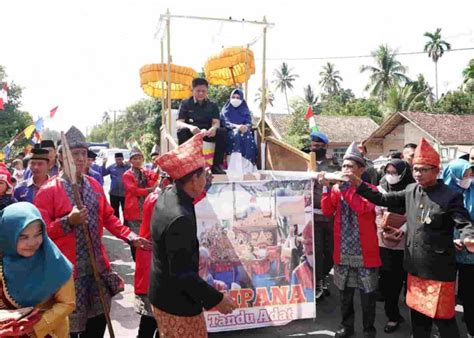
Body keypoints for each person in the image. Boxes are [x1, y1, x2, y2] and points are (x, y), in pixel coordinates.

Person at [33, 126, 151, 337]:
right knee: (70, 328)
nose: (79, 158)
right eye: (74, 153)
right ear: (60, 157)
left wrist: (131, 236)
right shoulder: (48, 191)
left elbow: (109, 218)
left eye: (83, 154)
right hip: (68, 274)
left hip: (97, 267)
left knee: (97, 322)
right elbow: (39, 234)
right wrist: (68, 221)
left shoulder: (94, 186)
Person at [353, 138, 474, 338]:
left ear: (436, 170)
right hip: (415, 268)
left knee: (443, 320)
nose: (418, 173)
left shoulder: (449, 196)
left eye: (424, 169)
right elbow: (383, 199)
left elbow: (463, 222)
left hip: (438, 271)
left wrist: (469, 237)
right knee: (418, 319)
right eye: (416, 169)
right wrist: (358, 183)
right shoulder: (411, 190)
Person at [149, 133, 237, 337]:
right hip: (177, 304)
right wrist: (217, 300)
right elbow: (182, 274)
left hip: (161, 294)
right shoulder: (181, 219)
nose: (207, 178)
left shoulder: (168, 194)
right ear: (193, 179)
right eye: (204, 174)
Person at [320, 141, 380, 338]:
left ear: (361, 170)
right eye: (343, 166)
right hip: (344, 249)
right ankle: (347, 326)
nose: (345, 169)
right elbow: (328, 211)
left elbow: (362, 209)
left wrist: (344, 188)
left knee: (367, 295)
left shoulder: (371, 189)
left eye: (350, 166)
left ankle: (369, 329)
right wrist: (327, 189)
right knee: (345, 294)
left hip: (364, 250)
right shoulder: (338, 189)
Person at [0, 202, 75, 338]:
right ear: (7, 235)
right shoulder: (2, 260)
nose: (32, 242)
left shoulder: (55, 263)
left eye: (38, 234)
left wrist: (35, 327)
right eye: (23, 237)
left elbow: (67, 303)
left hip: (49, 332)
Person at [376, 159, 414, 333]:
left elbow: (417, 214)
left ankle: (419, 322)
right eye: (388, 172)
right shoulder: (381, 187)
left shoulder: (413, 189)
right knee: (389, 283)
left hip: (409, 243)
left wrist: (404, 228)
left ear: (404, 173)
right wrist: (383, 228)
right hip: (386, 241)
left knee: (409, 285)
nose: (391, 176)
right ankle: (393, 316)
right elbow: (376, 210)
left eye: (395, 173)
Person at [442, 159, 474, 338]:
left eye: (470, 175)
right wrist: (450, 239)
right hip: (444, 252)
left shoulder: (472, 192)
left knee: (469, 294)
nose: (468, 179)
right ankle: (444, 328)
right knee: (444, 294)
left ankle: (471, 328)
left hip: (469, 252)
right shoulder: (439, 194)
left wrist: (467, 237)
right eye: (464, 175)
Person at [308, 130, 340, 299]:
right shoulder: (304, 161)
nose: (314, 148)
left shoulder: (334, 164)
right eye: (313, 145)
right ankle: (318, 282)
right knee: (316, 251)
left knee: (331, 252)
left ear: (325, 147)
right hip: (311, 216)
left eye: (318, 146)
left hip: (330, 216)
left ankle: (323, 276)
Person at [176, 77, 227, 175]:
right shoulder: (185, 103)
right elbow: (179, 123)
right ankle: (186, 164)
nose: (201, 93)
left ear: (207, 91)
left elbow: (216, 122)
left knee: (222, 132)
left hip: (207, 133)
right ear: (193, 90)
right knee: (181, 132)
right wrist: (191, 127)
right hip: (192, 133)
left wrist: (214, 128)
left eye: (203, 91)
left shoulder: (213, 105)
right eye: (198, 91)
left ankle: (216, 166)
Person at [123, 147, 158, 260]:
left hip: (146, 210)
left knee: (147, 237)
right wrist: (150, 189)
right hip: (134, 212)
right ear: (130, 161)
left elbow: (154, 177)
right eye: (135, 158)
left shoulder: (145, 172)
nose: (137, 161)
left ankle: (144, 261)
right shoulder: (127, 175)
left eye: (140, 158)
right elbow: (134, 191)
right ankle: (136, 260)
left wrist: (158, 165)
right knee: (136, 239)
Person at [134, 189, 160, 338]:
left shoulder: (158, 197)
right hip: (154, 265)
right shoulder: (158, 200)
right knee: (151, 318)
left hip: (154, 263)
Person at [220, 88, 257, 174]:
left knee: (247, 134)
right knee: (236, 134)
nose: (235, 99)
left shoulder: (244, 109)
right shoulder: (226, 109)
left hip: (244, 131)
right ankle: (234, 167)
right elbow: (225, 122)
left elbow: (249, 122)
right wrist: (237, 126)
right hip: (230, 131)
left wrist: (246, 127)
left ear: (242, 99)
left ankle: (248, 168)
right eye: (233, 97)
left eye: (238, 97)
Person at [102, 152, 131, 219]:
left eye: (120, 159)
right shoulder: (112, 167)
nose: (118, 161)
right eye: (117, 159)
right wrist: (104, 164)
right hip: (114, 193)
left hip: (125, 193)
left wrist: (130, 164)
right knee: (115, 211)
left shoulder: (127, 167)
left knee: (126, 211)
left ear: (123, 159)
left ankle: (126, 226)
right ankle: (117, 227)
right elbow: (103, 173)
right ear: (115, 159)